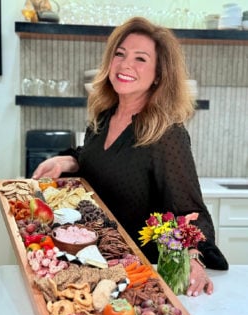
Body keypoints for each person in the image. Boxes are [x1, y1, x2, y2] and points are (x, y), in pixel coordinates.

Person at [33, 17, 228, 297]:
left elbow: (189, 212)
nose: (125, 65)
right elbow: (94, 160)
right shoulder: (103, 117)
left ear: (159, 74)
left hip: (136, 276)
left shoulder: (166, 133)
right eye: (120, 54)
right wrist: (68, 161)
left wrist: (193, 260)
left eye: (140, 59)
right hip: (89, 262)